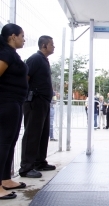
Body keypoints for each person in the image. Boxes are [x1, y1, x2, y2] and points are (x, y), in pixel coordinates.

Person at [19, 35, 56, 178]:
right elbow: (25, 78)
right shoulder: (35, 59)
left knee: (43, 133)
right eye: (52, 44)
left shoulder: (44, 60)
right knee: (32, 134)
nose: (53, 47)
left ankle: (39, 161)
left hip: (44, 102)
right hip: (34, 101)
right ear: (44, 46)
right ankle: (26, 168)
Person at [0, 23, 27, 200]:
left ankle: (5, 179)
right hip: (6, 102)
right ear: (12, 36)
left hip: (15, 102)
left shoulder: (12, 54)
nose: (24, 39)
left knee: (10, 141)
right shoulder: (5, 53)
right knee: (3, 142)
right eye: (22, 36)